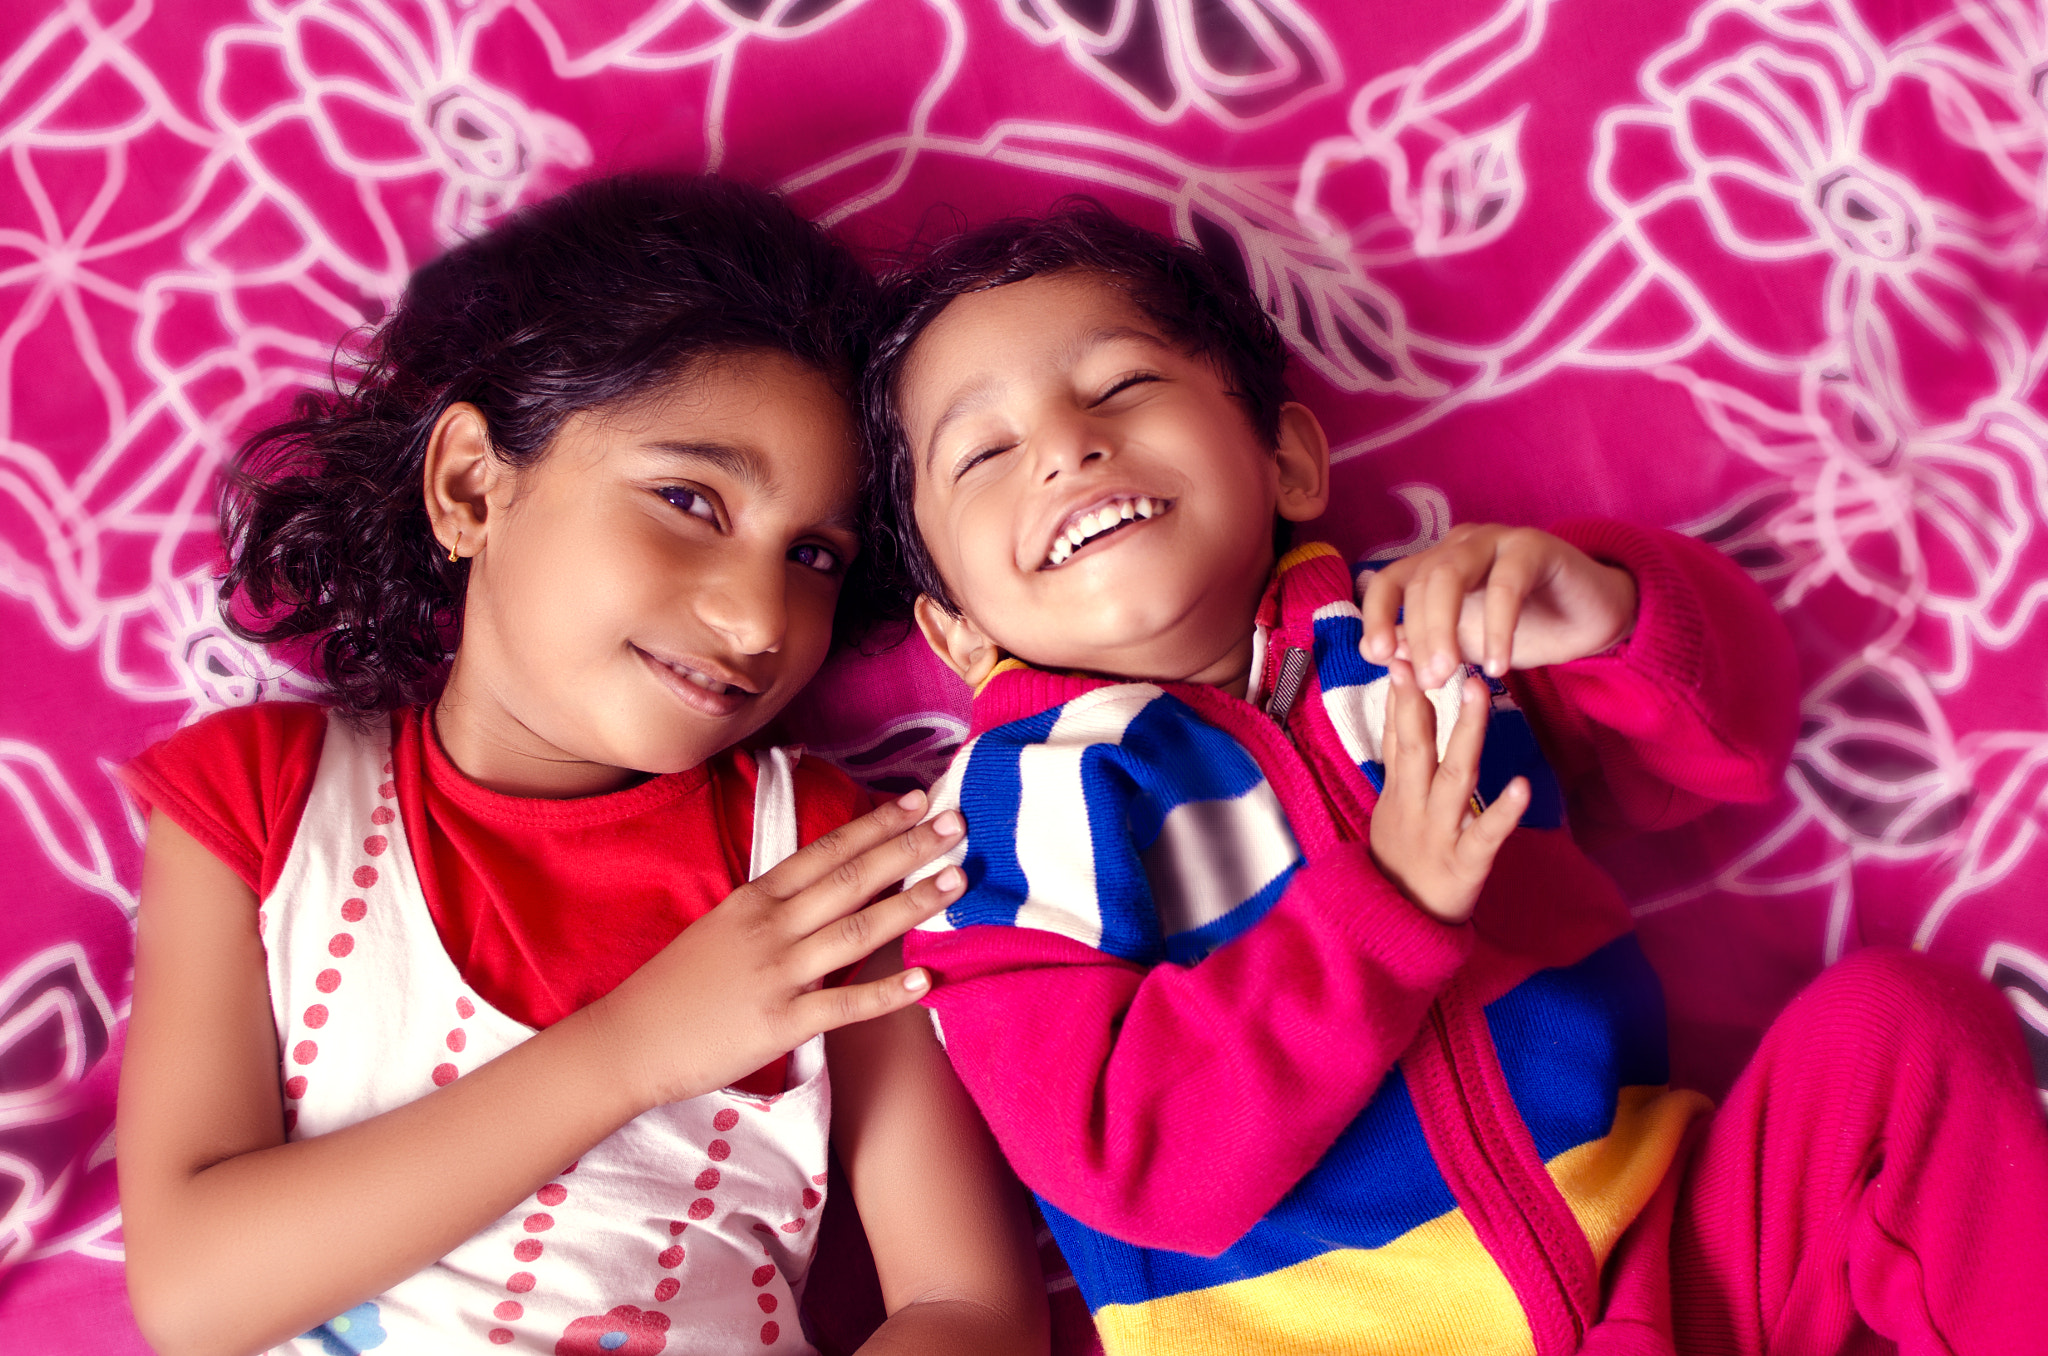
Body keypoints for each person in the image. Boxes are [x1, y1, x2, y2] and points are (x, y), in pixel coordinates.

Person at [860, 200, 2048, 1355]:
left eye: (1120, 385)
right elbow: (1128, 1156)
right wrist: (1380, 911)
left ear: (1285, 460)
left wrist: (1608, 611)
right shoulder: (1001, 828)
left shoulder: (1427, 629)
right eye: (985, 452)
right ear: (957, 632)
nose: (1067, 446)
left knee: (1899, 1032)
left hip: (1670, 1269)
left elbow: (1726, 752)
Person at [115, 174, 1047, 1356]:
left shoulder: (819, 857)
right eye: (687, 499)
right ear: (468, 485)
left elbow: (966, 1308)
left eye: (811, 553)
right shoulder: (259, 802)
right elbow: (194, 1296)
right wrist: (633, 1048)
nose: (759, 616)